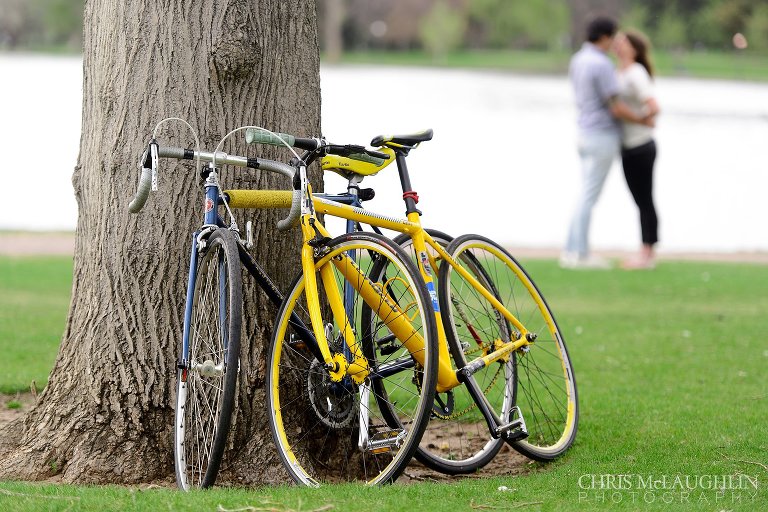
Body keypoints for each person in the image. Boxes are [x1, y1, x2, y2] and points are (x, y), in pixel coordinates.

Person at [561, 17, 653, 269]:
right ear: (604, 37)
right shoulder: (601, 64)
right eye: (613, 37)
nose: (615, 44)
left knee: (584, 193)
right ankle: (580, 253)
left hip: (583, 132)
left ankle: (571, 249)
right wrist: (642, 120)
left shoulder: (578, 59)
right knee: (589, 195)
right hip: (601, 134)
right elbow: (615, 106)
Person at [614, 30, 660, 269]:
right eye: (617, 41)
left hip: (641, 146)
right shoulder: (620, 73)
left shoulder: (635, 73)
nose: (618, 45)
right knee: (640, 199)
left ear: (633, 48)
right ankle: (645, 250)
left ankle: (647, 253)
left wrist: (638, 119)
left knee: (644, 199)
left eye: (623, 42)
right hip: (628, 146)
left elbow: (653, 107)